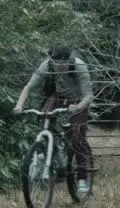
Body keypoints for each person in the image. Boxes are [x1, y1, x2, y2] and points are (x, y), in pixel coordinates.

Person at [13, 45, 95, 196]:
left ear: (68, 60)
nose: (59, 67)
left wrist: (78, 106)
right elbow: (28, 87)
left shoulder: (78, 66)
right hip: (59, 96)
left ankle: (82, 178)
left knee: (77, 137)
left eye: (62, 64)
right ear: (51, 60)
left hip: (78, 100)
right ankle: (49, 153)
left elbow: (88, 95)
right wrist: (19, 105)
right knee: (44, 118)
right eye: (56, 64)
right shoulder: (46, 65)